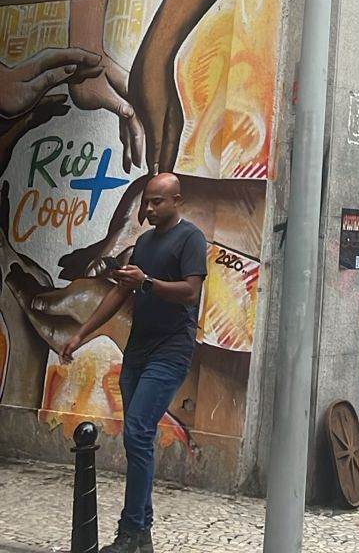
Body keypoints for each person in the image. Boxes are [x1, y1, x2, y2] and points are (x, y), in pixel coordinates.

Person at [61, 174, 207, 553]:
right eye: (147, 202)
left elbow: (191, 292)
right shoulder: (144, 242)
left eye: (157, 201)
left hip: (171, 350)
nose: (149, 208)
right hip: (138, 350)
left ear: (177, 200)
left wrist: (147, 283)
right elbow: (119, 293)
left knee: (139, 432)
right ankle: (141, 535)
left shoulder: (191, 238)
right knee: (137, 438)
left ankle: (132, 531)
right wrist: (81, 334)